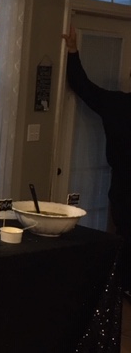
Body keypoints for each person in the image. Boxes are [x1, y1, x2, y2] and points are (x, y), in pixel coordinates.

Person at [63, 25, 131, 296]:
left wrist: (72, 52)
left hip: (123, 185)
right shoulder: (119, 105)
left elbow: (84, 87)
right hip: (123, 183)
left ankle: (121, 286)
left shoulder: (118, 105)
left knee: (124, 235)